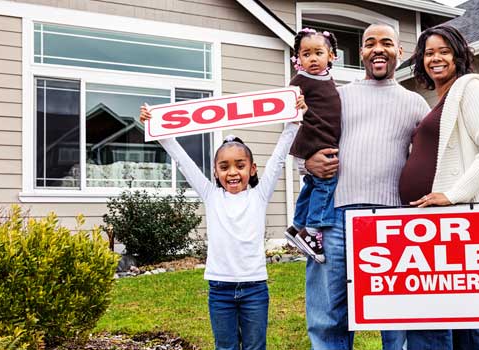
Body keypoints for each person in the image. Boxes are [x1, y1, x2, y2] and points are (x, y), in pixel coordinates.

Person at [301, 23, 431, 350]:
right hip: (335, 219)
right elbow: (303, 140)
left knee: (396, 314)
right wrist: (307, 162)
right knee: (329, 315)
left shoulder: (416, 104)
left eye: (386, 43)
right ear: (360, 53)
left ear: (400, 52)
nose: (378, 49)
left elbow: (432, 158)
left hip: (392, 221)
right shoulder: (337, 97)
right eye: (369, 43)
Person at [138, 97, 305, 350]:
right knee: (225, 347)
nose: (233, 172)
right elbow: (183, 161)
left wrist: (293, 121)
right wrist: (159, 130)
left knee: (255, 347)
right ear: (215, 172)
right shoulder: (211, 195)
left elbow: (279, 158)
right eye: (224, 167)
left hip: (254, 290)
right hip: (220, 291)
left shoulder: (259, 196)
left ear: (252, 169)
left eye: (240, 165)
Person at [398, 24, 479, 350]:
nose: (436, 58)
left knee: (463, 317)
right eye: (429, 53)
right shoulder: (438, 100)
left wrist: (452, 195)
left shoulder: (470, 87)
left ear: (458, 55)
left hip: (459, 225)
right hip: (434, 227)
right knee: (455, 316)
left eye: (443, 51)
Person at [283, 27, 342, 264]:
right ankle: (313, 231)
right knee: (327, 183)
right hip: (313, 140)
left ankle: (297, 226)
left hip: (322, 139)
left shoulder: (328, 79)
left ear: (331, 56)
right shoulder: (300, 80)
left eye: (318, 53)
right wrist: (295, 102)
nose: (313, 58)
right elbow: (286, 101)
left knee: (312, 185)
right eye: (306, 54)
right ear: (298, 59)